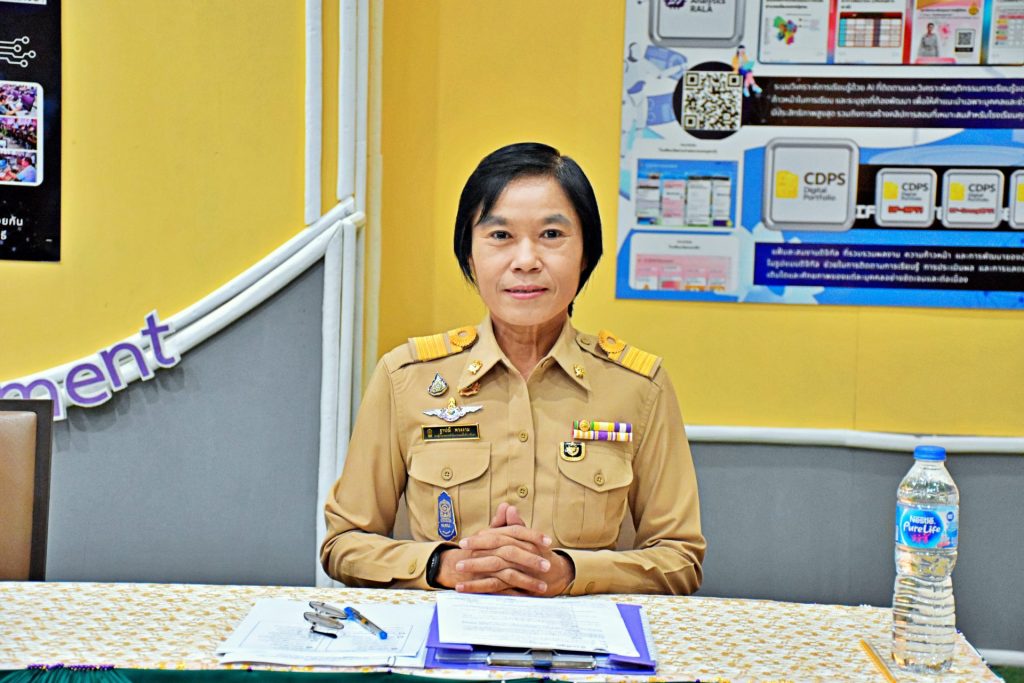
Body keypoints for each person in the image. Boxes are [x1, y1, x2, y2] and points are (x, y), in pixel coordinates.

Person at [320, 142, 705, 596]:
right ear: (470, 254)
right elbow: (344, 543)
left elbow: (679, 557)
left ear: (586, 254)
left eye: (551, 235)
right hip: (447, 630)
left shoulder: (638, 386)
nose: (526, 260)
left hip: (580, 635)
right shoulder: (406, 377)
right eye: (500, 236)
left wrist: (570, 572)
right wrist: (443, 565)